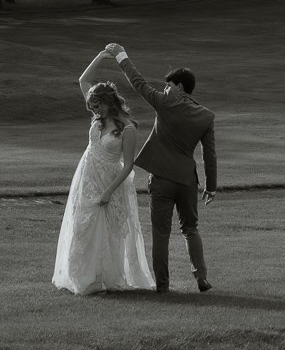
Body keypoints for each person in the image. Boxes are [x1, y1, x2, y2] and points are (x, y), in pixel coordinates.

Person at [107, 42, 218, 293]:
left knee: (161, 234)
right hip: (187, 181)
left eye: (169, 85)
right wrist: (211, 186)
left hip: (161, 180)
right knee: (191, 229)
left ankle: (163, 287)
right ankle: (201, 277)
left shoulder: (165, 103)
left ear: (179, 87)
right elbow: (209, 154)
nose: (165, 88)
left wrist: (121, 55)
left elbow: (138, 83)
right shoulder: (206, 115)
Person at [51, 49, 156, 295]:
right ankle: (83, 278)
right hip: (86, 177)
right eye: (92, 106)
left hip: (109, 180)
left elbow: (129, 164)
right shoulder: (98, 119)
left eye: (98, 106)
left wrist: (109, 191)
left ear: (110, 102)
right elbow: (83, 81)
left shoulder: (128, 129)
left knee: (105, 231)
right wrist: (101, 56)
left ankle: (102, 279)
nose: (95, 111)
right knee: (82, 225)